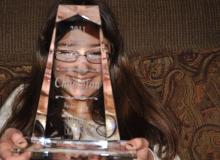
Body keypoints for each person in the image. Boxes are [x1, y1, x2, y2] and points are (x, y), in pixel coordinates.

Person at [0, 0, 179, 160]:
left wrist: (149, 158)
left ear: (112, 58)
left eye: (95, 54)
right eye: (68, 53)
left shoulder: (135, 108)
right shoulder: (24, 98)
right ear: (50, 57)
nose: (82, 68)